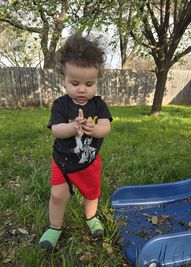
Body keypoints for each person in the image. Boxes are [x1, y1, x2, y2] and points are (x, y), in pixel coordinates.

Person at [39, 33, 112, 251]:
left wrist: (95, 128)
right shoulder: (60, 105)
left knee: (92, 194)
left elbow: (106, 127)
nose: (82, 89)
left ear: (97, 80)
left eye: (89, 83)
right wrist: (72, 127)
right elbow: (56, 130)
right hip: (62, 161)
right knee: (57, 194)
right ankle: (55, 227)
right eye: (75, 83)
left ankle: (91, 217)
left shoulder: (98, 105)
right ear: (63, 79)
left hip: (88, 162)